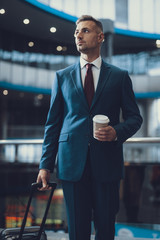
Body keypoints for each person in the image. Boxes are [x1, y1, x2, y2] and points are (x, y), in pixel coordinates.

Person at [37, 15, 143, 240]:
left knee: (105, 229)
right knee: (77, 230)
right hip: (71, 164)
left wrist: (117, 132)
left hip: (107, 163)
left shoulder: (119, 76)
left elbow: (135, 118)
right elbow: (53, 124)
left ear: (100, 37)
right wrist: (45, 166)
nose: (78, 35)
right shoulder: (62, 77)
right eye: (76, 32)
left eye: (85, 31)